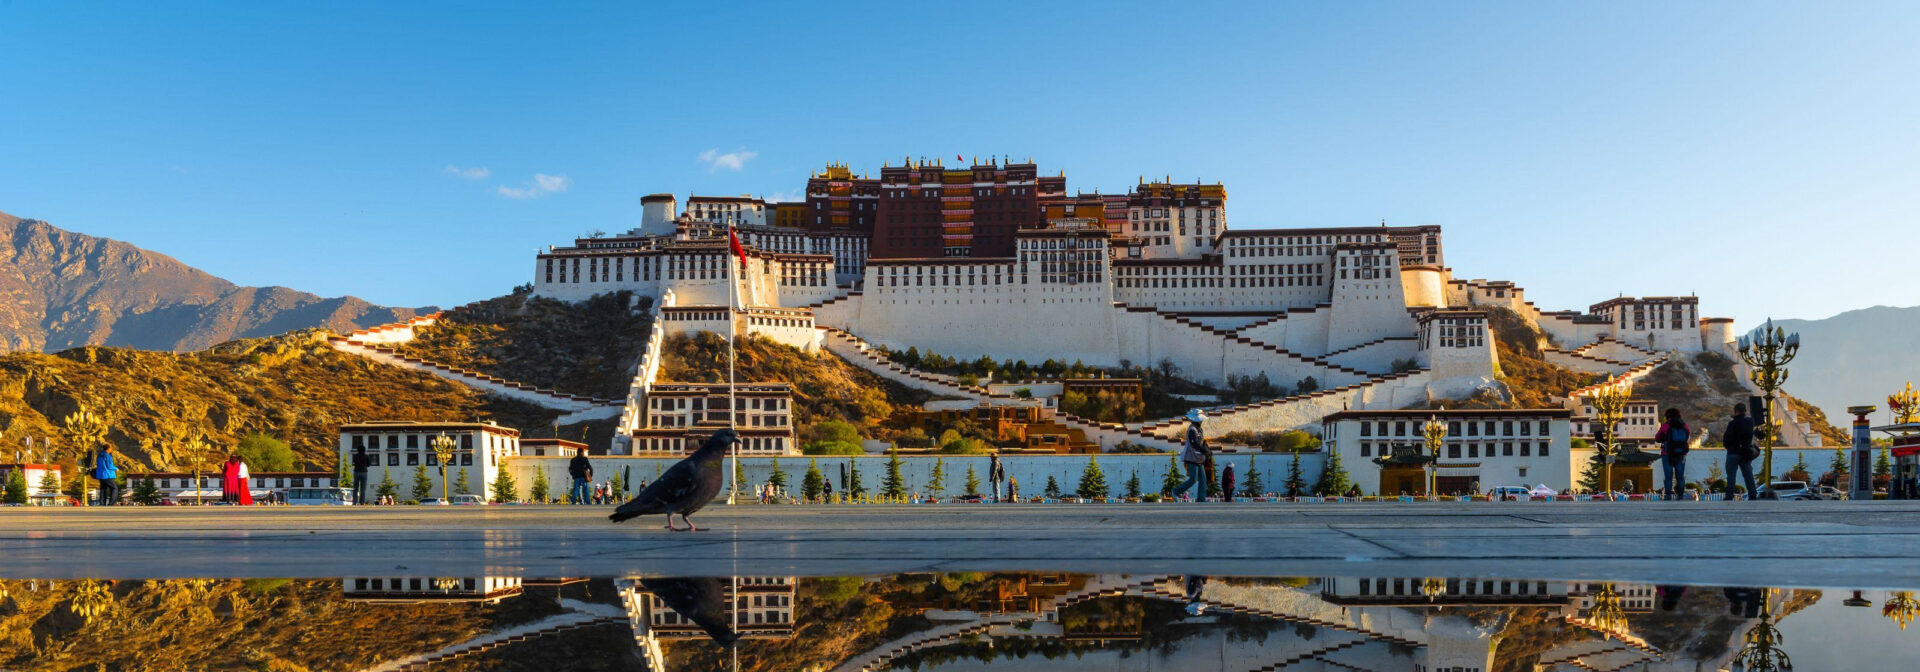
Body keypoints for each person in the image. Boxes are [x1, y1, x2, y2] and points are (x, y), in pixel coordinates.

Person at [1721, 403, 1759, 501]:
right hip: (1745, 453)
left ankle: (1729, 496)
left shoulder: (1733, 423)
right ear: (1745, 411)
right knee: (1748, 475)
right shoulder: (1750, 422)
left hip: (1733, 453)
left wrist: (1730, 447)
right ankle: (1753, 494)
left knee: (1731, 476)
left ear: (1735, 411)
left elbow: (1726, 440)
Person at [1172, 409, 1211, 503]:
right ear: (1195, 420)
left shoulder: (1199, 429)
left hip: (1199, 458)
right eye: (1199, 420)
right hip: (1191, 457)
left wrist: (1207, 450)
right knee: (1193, 479)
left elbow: (1201, 443)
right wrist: (1204, 451)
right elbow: (1195, 444)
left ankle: (1201, 499)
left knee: (1203, 479)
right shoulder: (1192, 430)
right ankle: (1176, 491)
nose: (1201, 422)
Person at [1655, 408, 1691, 501]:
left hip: (1667, 453)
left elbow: (1657, 437)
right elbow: (1687, 436)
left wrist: (1665, 440)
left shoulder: (1666, 425)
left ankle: (1668, 495)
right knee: (1680, 476)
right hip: (1681, 454)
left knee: (1668, 476)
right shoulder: (1684, 425)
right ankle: (1680, 495)